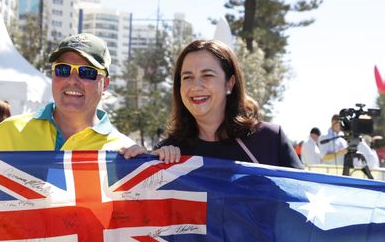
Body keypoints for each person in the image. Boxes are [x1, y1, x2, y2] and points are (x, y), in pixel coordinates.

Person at [0, 33, 135, 196]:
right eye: (62, 69)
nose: (72, 80)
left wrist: (161, 163)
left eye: (86, 72)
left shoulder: (124, 153)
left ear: (105, 83)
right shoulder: (10, 131)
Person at [122, 39, 303, 169]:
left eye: (207, 75)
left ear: (230, 83)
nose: (196, 86)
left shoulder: (269, 140)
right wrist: (138, 164)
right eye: (187, 77)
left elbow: (302, 205)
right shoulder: (168, 154)